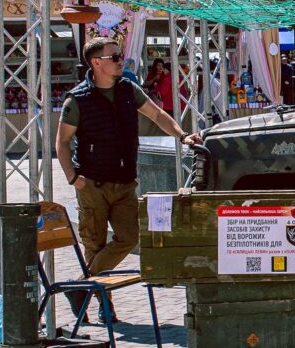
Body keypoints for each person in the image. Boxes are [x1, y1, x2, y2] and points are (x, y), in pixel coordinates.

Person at [55, 38, 203, 323]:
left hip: (124, 181)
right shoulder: (78, 99)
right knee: (95, 246)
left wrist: (182, 136)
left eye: (120, 55)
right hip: (93, 183)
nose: (121, 61)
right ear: (96, 63)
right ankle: (104, 307)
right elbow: (62, 141)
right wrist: (72, 178)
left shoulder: (128, 89)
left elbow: (157, 114)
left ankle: (80, 287)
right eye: (115, 57)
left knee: (129, 239)